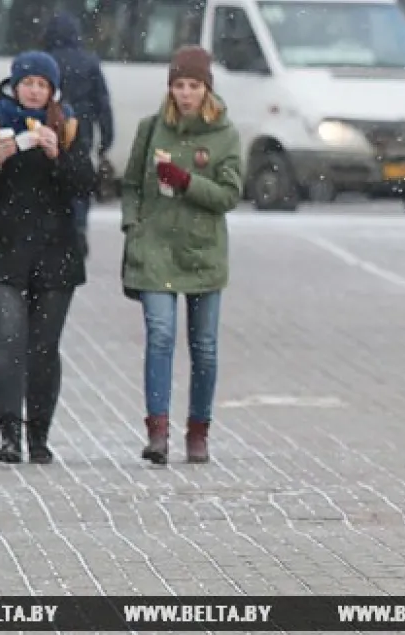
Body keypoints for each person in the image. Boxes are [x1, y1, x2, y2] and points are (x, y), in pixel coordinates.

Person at [0, 51, 93, 464]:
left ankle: (40, 436)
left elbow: (87, 185)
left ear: (52, 92)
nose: (33, 91)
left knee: (44, 348)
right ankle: (9, 433)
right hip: (1, 252)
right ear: (14, 86)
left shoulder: (67, 129)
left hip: (55, 255)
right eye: (27, 83)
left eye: (42, 85)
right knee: (8, 342)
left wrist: (58, 157)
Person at [120, 46, 242, 466]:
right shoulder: (152, 128)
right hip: (154, 248)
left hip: (202, 252)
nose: (185, 94)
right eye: (178, 86)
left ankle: (198, 430)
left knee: (204, 346)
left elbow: (229, 194)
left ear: (206, 89)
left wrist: (189, 182)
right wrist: (132, 226)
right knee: (160, 336)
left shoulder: (224, 135)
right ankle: (157, 432)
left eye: (193, 86)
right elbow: (131, 183)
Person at [43, 12, 114, 258]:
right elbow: (103, 103)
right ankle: (79, 226)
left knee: (52, 178)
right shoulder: (89, 61)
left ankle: (55, 229)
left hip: (50, 126)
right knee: (80, 180)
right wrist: (107, 138)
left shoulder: (47, 61)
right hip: (81, 128)